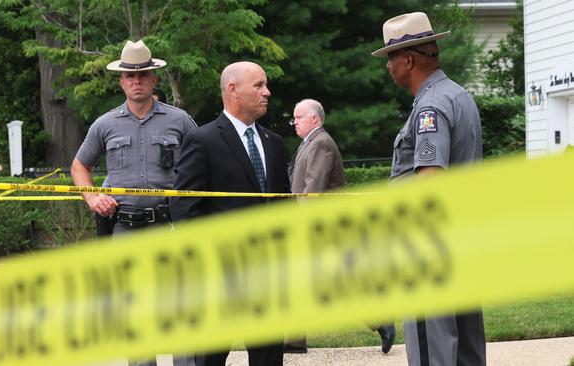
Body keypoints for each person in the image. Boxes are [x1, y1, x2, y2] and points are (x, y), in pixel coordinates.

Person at [70, 39, 197, 366]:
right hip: (125, 230)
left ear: (154, 79)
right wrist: (92, 196)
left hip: (171, 230)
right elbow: (79, 165)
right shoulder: (105, 124)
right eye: (130, 75)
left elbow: (201, 164)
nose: (137, 80)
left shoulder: (180, 121)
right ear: (121, 81)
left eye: (143, 74)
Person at [372, 12, 486, 366]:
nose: (388, 66)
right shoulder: (458, 96)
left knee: (431, 349)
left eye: (391, 58)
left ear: (408, 59)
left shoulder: (430, 108)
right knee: (466, 348)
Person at [170, 61, 289, 366]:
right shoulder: (203, 140)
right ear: (233, 90)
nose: (267, 92)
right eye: (259, 85)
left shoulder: (274, 143)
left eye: (266, 85)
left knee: (269, 356)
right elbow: (185, 209)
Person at [285, 99, 396, 355]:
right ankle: (294, 339)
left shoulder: (321, 142)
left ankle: (381, 320)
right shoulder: (311, 142)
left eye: (299, 117)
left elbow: (313, 188)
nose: (295, 122)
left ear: (315, 119)